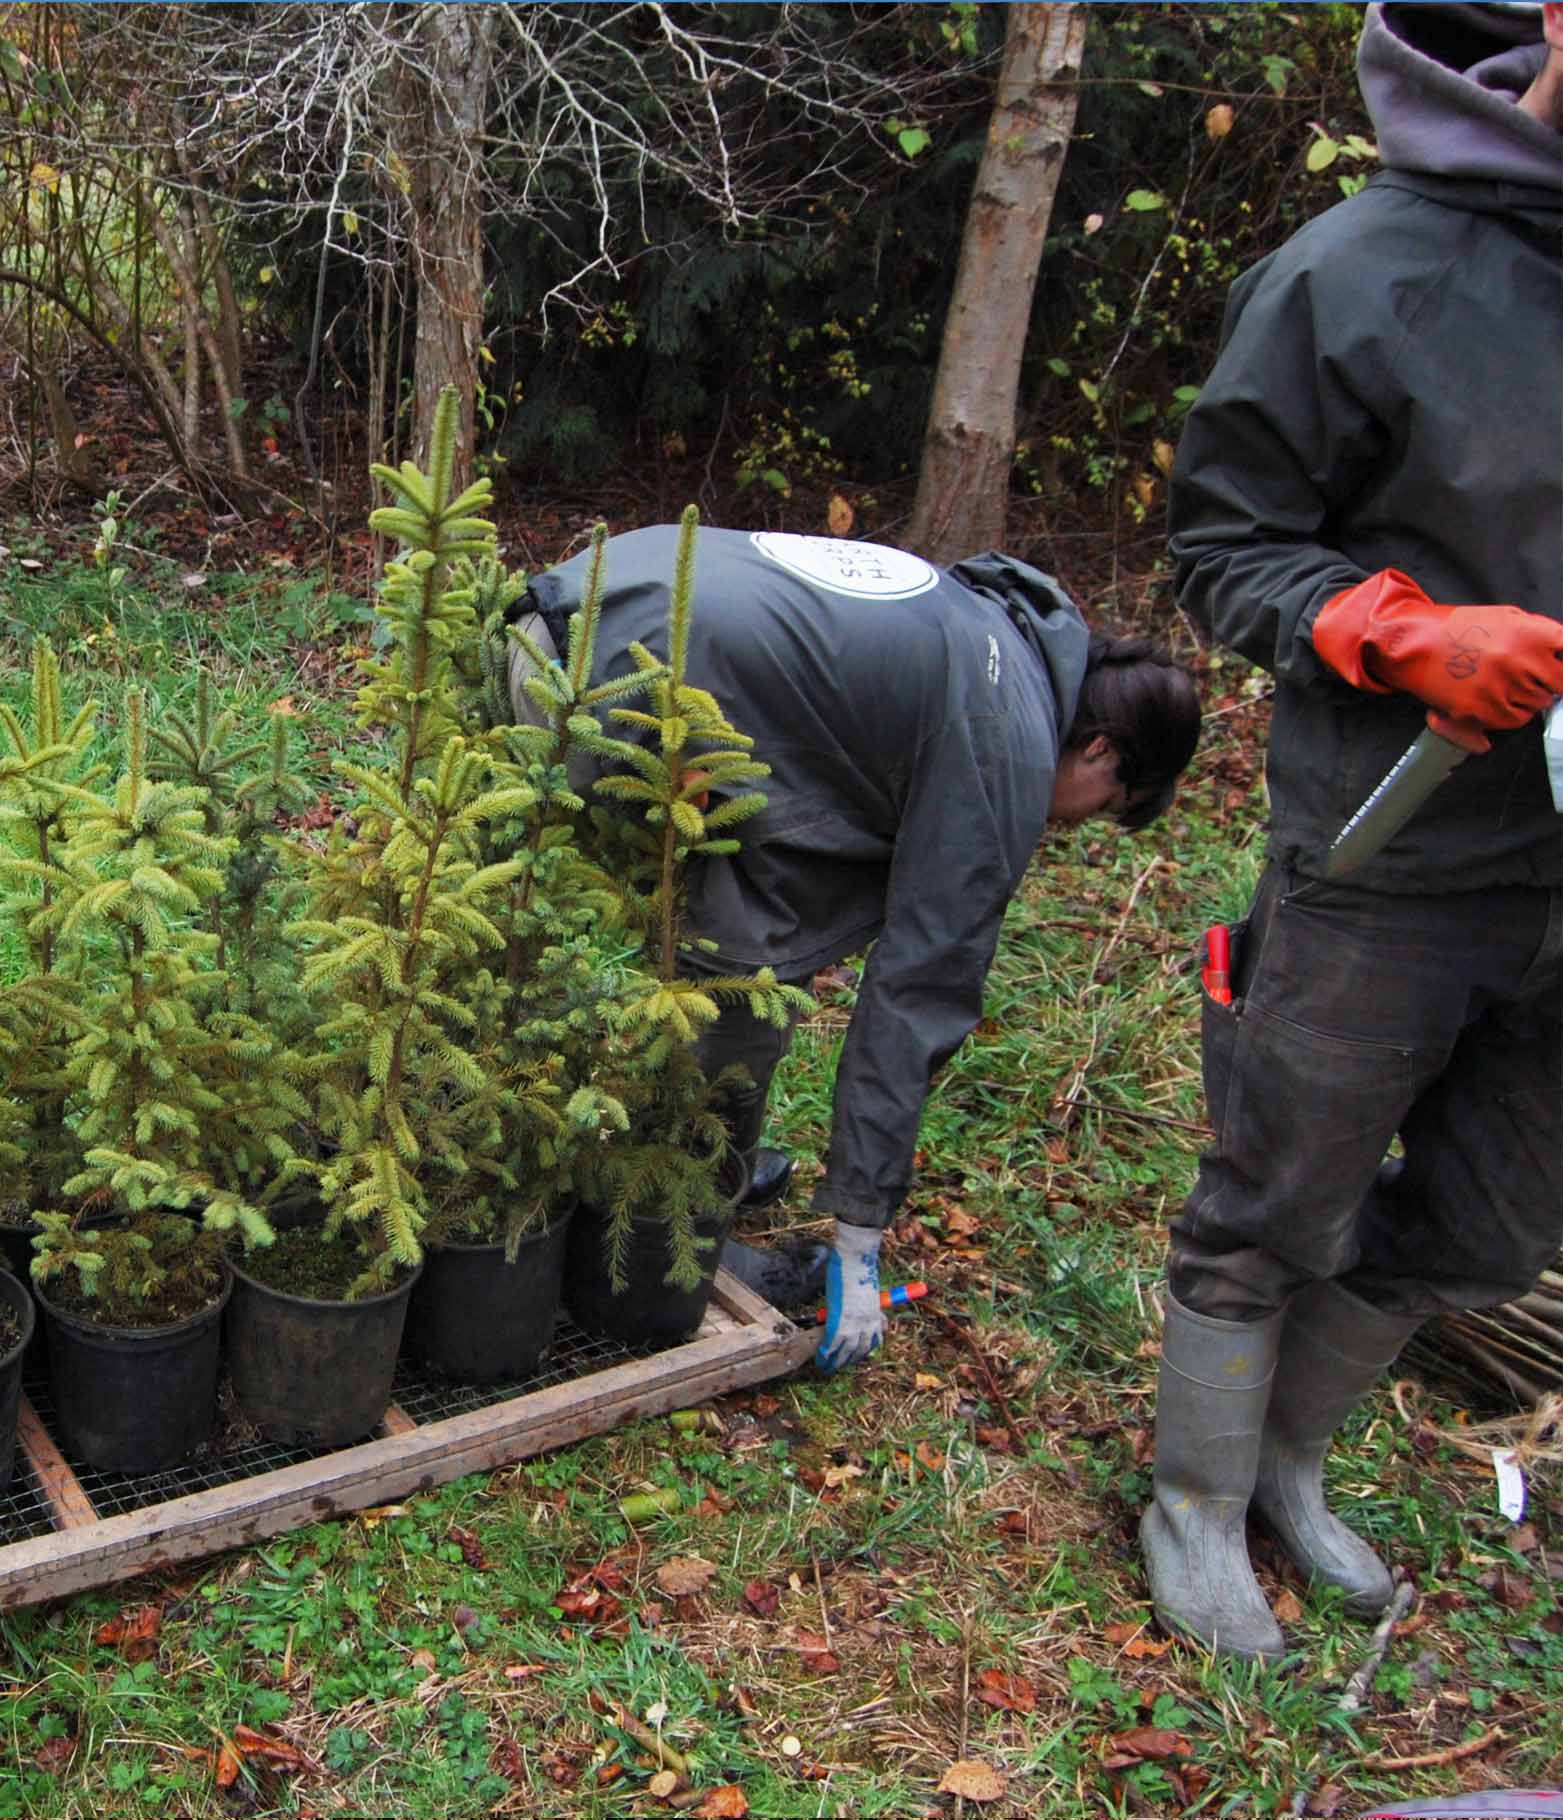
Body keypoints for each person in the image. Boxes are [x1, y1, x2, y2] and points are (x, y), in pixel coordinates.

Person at [1149, 0, 1563, 1660]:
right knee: (1280, 1195)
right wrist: (1401, 636)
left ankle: (1290, 1469)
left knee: (1489, 1223)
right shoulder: (1361, 270)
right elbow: (1224, 542)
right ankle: (1193, 1498)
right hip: (1397, 858)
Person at [511, 523, 1202, 1371]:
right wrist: (858, 1239)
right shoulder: (1006, 742)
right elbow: (915, 997)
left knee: (751, 926)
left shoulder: (998, 631)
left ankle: (697, 1156)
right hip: (614, 679)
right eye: (1101, 805)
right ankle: (668, 1225)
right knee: (732, 978)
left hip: (584, 598)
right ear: (1100, 749)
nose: (1071, 824)